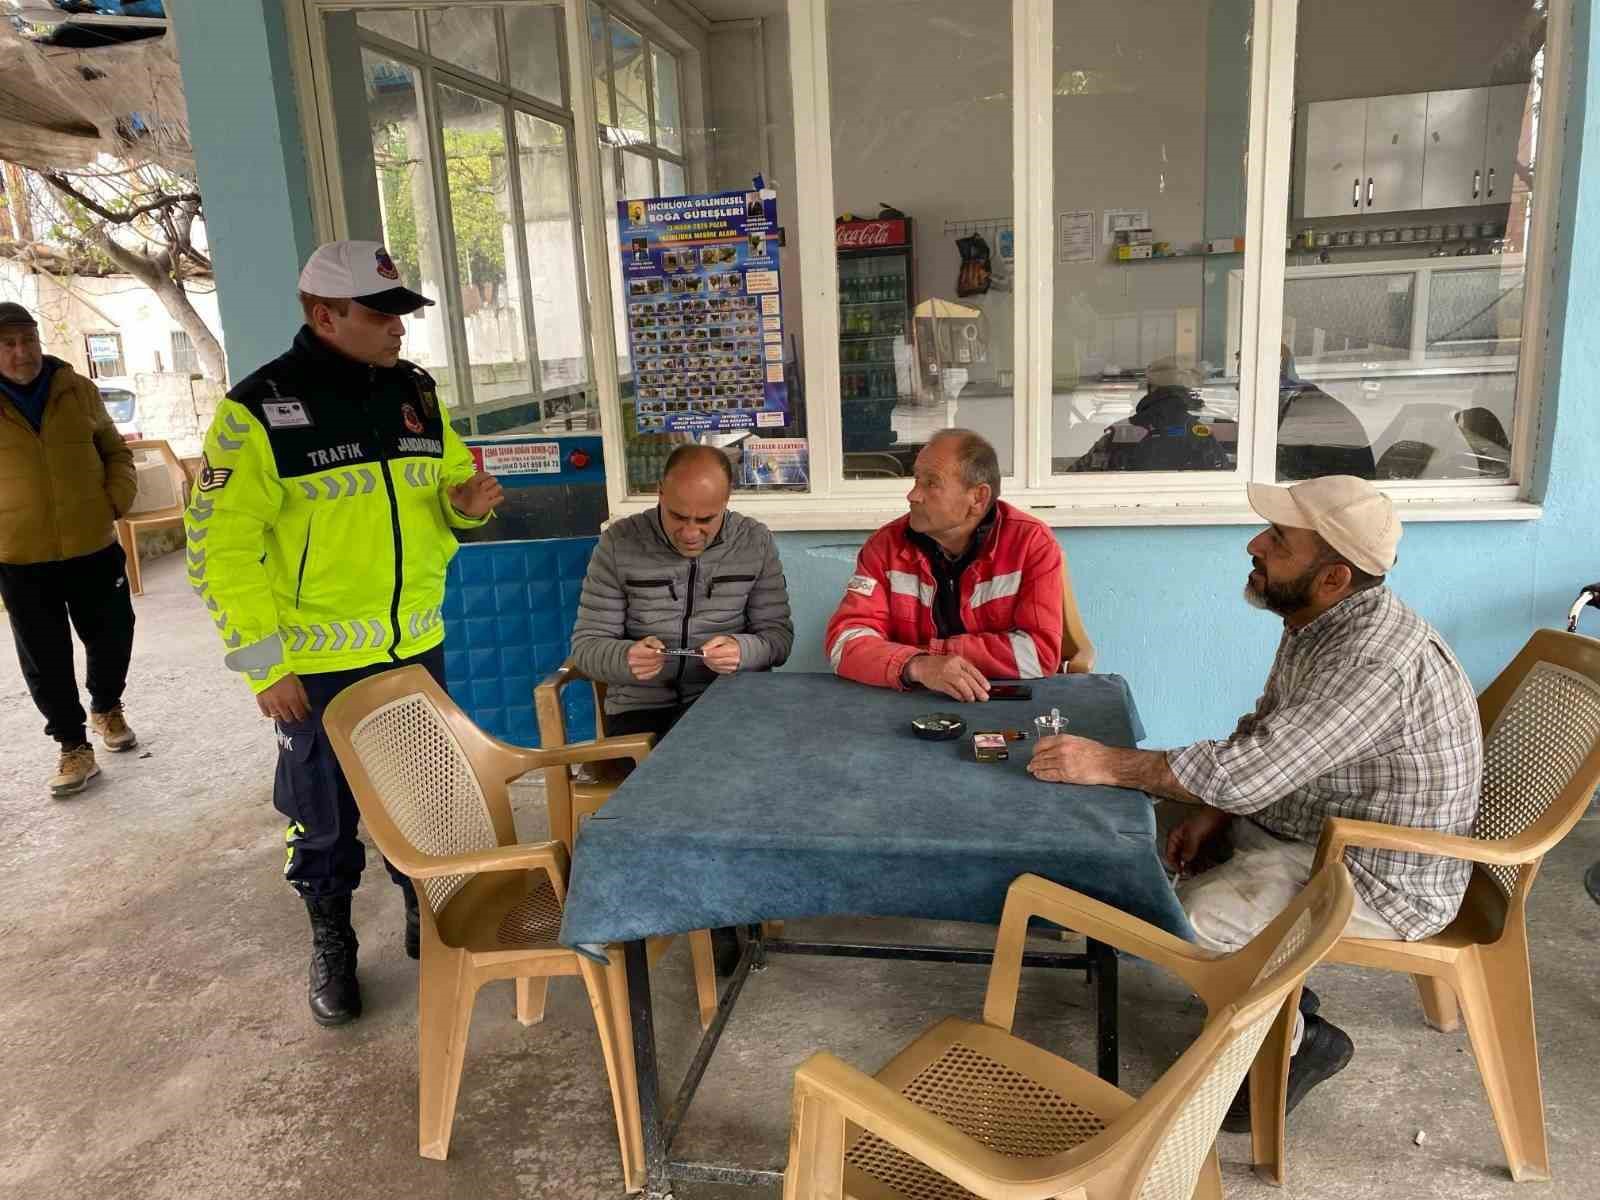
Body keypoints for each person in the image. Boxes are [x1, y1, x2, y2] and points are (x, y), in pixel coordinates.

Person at [1027, 474, 1481, 1128]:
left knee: (1192, 918)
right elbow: (1267, 735)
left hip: (1378, 873)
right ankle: (1279, 990)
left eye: (1279, 540)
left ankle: (1291, 1046)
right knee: (1124, 828)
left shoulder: (1372, 663)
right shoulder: (1320, 620)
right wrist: (1216, 811)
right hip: (1311, 824)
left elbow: (1250, 771)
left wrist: (1109, 763)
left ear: (1334, 577)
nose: (1255, 544)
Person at [185, 241, 503, 1027]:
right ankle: (332, 941)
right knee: (323, 815)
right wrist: (264, 664)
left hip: (414, 645)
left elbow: (448, 494)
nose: (399, 327)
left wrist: (466, 507)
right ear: (325, 316)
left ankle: (423, 908)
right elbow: (219, 549)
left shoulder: (416, 393)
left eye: (403, 312)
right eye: (380, 313)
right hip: (317, 664)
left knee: (425, 796)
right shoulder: (257, 412)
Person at [0, 301, 139, 797]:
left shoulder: (77, 389)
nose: (21, 352)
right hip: (20, 555)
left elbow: (114, 449)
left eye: (28, 340)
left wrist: (116, 498)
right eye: (8, 344)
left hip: (92, 542)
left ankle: (107, 706)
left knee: (113, 633)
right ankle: (72, 744)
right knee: (45, 656)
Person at [569, 443, 793, 740]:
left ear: (726, 499)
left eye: (705, 520)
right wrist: (625, 658)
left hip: (729, 699)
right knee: (669, 767)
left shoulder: (755, 542)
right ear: (660, 492)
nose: (690, 533)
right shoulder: (618, 543)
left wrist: (742, 651)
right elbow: (586, 647)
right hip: (639, 708)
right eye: (677, 516)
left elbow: (779, 640)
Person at [825, 428, 1064, 702]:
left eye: (931, 483)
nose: (913, 495)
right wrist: (917, 665)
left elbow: (1039, 654)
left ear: (978, 498)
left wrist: (935, 656)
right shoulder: (884, 546)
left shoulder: (1031, 543)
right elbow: (844, 643)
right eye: (916, 479)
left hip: (1000, 701)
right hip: (909, 700)